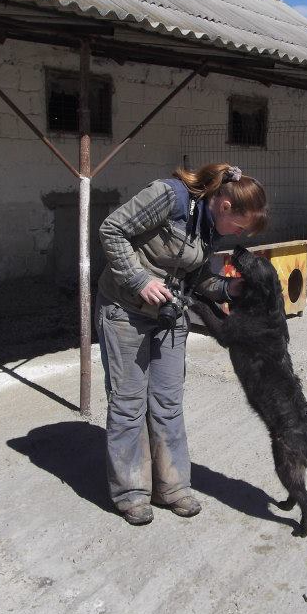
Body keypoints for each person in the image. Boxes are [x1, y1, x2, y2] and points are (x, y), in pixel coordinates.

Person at [96, 163, 268, 526]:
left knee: (167, 402)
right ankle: (131, 492)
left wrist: (230, 288)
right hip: (125, 310)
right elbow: (111, 229)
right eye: (240, 227)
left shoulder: (209, 227)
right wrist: (139, 279)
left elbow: (199, 276)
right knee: (128, 403)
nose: (239, 235)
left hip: (169, 314)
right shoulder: (168, 197)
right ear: (225, 206)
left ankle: (172, 487)